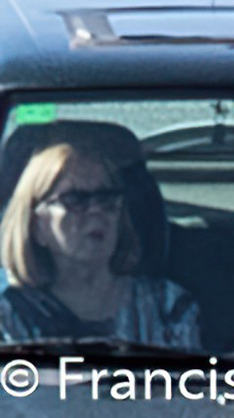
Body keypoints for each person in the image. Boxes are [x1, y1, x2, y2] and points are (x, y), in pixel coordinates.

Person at [0, 135, 200, 347]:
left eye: (106, 198)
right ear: (35, 224)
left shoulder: (168, 308)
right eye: (75, 199)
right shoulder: (8, 318)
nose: (96, 211)